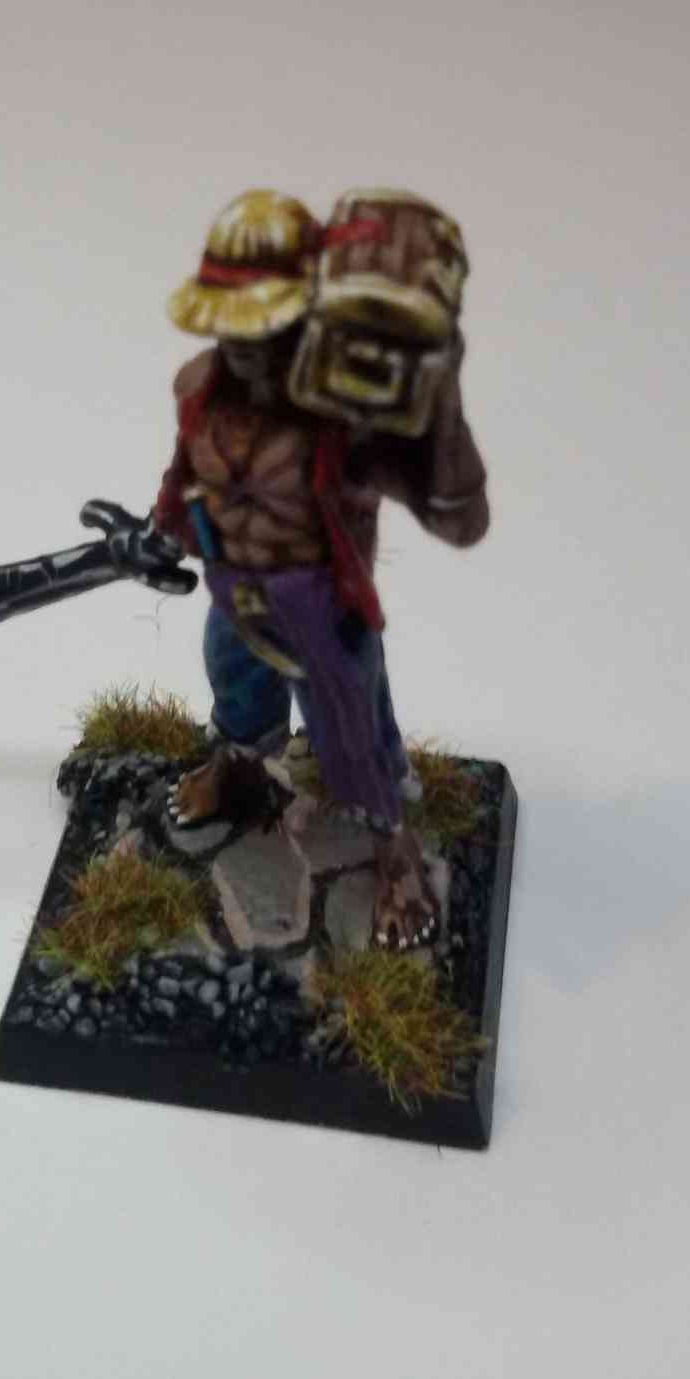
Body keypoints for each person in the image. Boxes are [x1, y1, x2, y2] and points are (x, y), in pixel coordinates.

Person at [153, 189, 489, 950]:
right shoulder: (200, 388)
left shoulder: (346, 418)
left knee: (352, 733)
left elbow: (459, 520)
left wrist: (442, 402)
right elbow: (184, 476)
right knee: (233, 682)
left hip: (322, 608)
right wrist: (161, 530)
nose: (245, 347)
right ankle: (241, 769)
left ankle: (394, 849)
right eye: (232, 326)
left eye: (264, 326)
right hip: (234, 587)